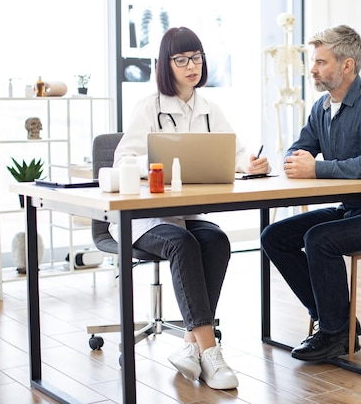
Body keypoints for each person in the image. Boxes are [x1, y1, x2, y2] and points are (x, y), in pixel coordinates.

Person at [111, 26, 270, 389]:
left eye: (196, 57)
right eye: (181, 59)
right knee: (183, 243)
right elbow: (123, 159)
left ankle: (188, 344)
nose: (191, 65)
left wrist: (252, 165)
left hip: (185, 213)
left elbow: (237, 153)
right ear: (165, 65)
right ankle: (211, 351)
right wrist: (157, 168)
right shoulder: (147, 107)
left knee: (216, 240)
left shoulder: (209, 108)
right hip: (143, 219)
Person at [260, 25, 361, 362]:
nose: (313, 69)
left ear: (346, 66)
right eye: (313, 62)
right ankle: (337, 319)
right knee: (274, 236)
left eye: (321, 62)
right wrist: (289, 161)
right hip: (354, 210)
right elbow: (298, 150)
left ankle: (335, 334)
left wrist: (317, 169)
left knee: (320, 238)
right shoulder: (321, 107)